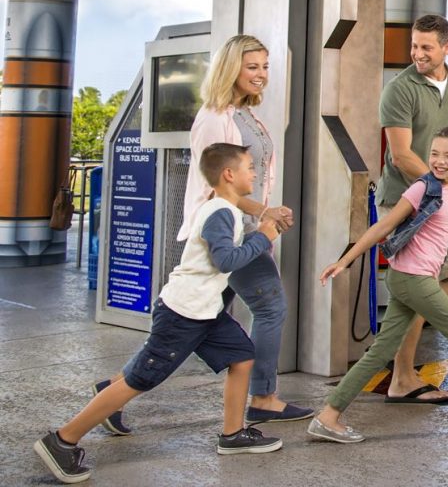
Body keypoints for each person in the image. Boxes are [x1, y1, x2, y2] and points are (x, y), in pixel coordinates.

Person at [92, 35, 311, 433]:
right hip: (231, 235)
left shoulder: (244, 114)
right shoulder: (215, 118)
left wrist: (264, 213)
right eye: (253, 67)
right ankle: (262, 399)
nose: (262, 74)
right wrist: (265, 216)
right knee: (270, 308)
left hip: (245, 229)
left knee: (188, 331)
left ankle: (113, 389)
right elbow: (219, 186)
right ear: (231, 69)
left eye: (265, 66)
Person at [35, 144, 284, 484]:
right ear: (229, 174)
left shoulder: (225, 209)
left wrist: (262, 227)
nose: (254, 173)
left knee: (242, 356)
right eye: (249, 167)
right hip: (183, 313)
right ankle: (62, 440)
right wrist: (263, 238)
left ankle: (232, 434)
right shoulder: (219, 213)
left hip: (206, 311)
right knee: (141, 379)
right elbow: (226, 260)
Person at [308, 127, 448, 443]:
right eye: (434, 153)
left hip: (415, 277)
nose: (439, 161)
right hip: (411, 278)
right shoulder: (423, 188)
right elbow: (384, 226)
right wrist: (344, 260)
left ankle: (328, 417)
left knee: (380, 352)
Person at [375, 14, 448, 404]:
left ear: (446, 48)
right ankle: (401, 377)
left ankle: (401, 369)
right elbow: (400, 156)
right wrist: (447, 188)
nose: (417, 53)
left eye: (426, 47)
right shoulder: (400, 89)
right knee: (419, 291)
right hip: (408, 201)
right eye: (414, 46)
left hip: (442, 202)